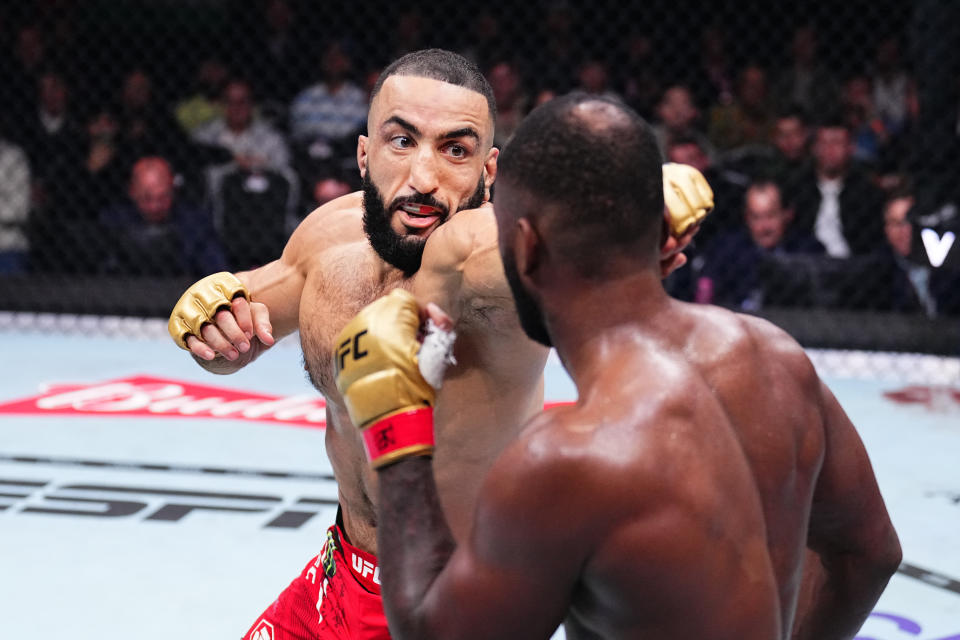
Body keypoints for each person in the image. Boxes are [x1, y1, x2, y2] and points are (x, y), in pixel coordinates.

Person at [167, 49, 709, 640]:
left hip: (455, 601)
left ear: (489, 170)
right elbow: (241, 316)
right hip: (338, 577)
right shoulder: (329, 238)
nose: (424, 178)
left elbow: (528, 253)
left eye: (456, 149)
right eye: (402, 142)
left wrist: (622, 220)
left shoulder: (485, 257)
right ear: (364, 152)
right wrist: (211, 320)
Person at [335, 93, 901, 640]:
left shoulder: (571, 457)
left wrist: (398, 432)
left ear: (526, 248)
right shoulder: (776, 360)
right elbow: (871, 554)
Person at [697, 178, 823, 310]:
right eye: (756, 217)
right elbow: (706, 287)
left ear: (787, 214)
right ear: (746, 218)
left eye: (771, 216)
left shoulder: (808, 250)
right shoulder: (726, 249)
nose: (764, 227)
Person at [100, 156, 226, 277]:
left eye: (163, 197)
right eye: (147, 198)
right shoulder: (114, 221)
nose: (155, 207)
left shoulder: (195, 223)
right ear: (132, 192)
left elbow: (217, 271)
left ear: (173, 191)